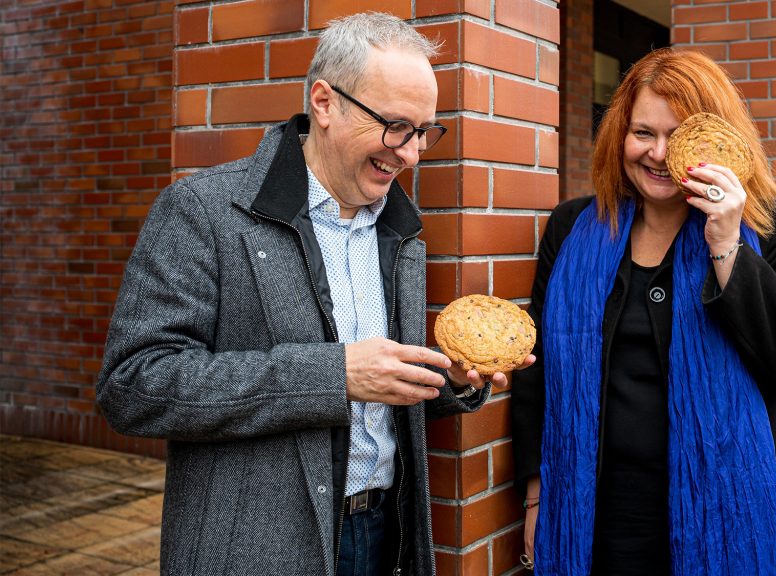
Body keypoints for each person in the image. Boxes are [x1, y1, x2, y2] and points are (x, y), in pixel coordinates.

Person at [97, 12, 531, 576]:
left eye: (425, 131)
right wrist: (334, 376)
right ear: (324, 103)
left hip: (384, 538)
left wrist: (444, 379)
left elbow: (378, 395)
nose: (412, 154)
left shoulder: (401, 229)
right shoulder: (202, 211)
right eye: (396, 125)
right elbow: (134, 386)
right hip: (256, 551)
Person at [511, 48, 776, 575]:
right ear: (620, 134)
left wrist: (726, 243)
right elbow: (536, 373)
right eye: (643, 133)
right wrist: (537, 497)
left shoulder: (770, 228)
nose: (658, 154)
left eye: (677, 135)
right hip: (599, 515)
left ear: (714, 138)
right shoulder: (572, 229)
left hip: (740, 505)